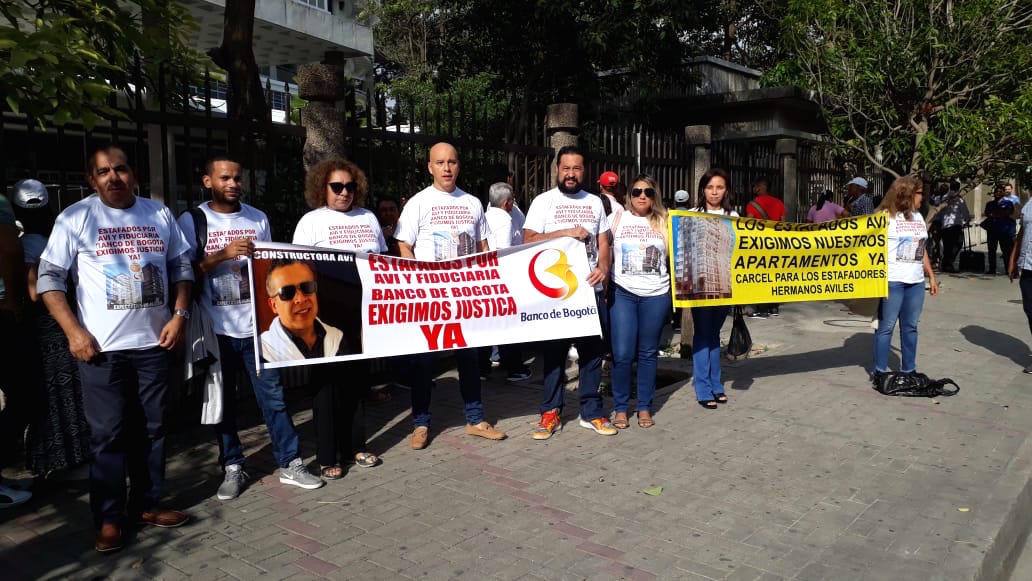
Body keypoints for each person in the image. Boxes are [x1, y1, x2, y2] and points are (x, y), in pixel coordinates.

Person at [38, 146, 193, 553]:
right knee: (108, 435)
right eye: (103, 172)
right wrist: (74, 332)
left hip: (154, 346)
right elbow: (49, 280)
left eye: (120, 169)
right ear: (92, 180)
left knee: (155, 429)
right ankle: (108, 518)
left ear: (133, 174)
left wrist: (179, 316)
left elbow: (181, 268)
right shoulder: (75, 217)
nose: (114, 177)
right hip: (101, 350)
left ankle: (147, 504)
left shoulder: (158, 214)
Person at [177, 158, 323, 500]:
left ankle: (291, 461)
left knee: (273, 398)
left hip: (257, 329)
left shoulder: (257, 218)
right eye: (225, 177)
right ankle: (232, 466)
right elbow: (183, 272)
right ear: (207, 181)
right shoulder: (193, 220)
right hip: (217, 331)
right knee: (223, 402)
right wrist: (222, 255)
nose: (233, 183)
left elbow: (270, 269)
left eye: (237, 178)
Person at [395, 142, 507, 450]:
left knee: (469, 360)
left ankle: (475, 419)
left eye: (452, 162)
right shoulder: (418, 203)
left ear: (459, 165)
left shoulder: (472, 202)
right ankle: (420, 423)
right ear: (429, 167)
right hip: (431, 299)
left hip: (466, 297)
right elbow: (403, 245)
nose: (447, 168)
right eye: (440, 162)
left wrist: (488, 283)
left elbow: (484, 247)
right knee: (424, 362)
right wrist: (417, 278)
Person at [291, 158, 383, 476]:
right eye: (337, 186)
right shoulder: (311, 222)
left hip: (361, 315)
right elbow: (298, 272)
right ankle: (328, 456)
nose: (344, 192)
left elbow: (381, 264)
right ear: (323, 188)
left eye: (350, 186)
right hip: (324, 318)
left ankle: (356, 446)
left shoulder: (368, 217)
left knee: (357, 383)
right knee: (327, 386)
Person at [524, 145, 616, 439]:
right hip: (557, 292)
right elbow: (529, 240)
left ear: (584, 171)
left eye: (577, 168)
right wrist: (565, 233)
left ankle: (591, 411)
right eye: (566, 168)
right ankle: (550, 411)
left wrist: (604, 268)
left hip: (590, 289)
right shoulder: (543, 202)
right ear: (557, 170)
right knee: (555, 354)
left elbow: (604, 243)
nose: (571, 174)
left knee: (591, 353)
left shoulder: (595, 202)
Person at [15, 179, 90, 479]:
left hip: (49, 326)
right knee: (67, 393)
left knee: (58, 394)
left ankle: (59, 461)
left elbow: (34, 292)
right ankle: (69, 461)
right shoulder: (58, 234)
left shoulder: (29, 241)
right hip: (64, 321)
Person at [608, 175, 670, 429]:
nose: (642, 196)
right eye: (636, 192)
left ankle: (644, 406)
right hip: (622, 292)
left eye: (648, 192)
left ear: (655, 195)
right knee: (622, 353)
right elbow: (600, 247)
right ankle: (621, 407)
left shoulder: (666, 221)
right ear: (629, 195)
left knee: (647, 353)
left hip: (656, 294)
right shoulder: (617, 219)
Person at [872, 177, 938, 380]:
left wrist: (931, 276)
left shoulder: (918, 217)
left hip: (916, 282)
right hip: (893, 281)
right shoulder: (884, 217)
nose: (923, 197)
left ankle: (909, 369)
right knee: (886, 327)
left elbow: (921, 247)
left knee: (910, 327)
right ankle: (880, 372)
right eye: (919, 193)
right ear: (907, 194)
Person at [689, 168, 738, 409]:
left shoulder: (734, 216)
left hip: (725, 283)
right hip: (700, 285)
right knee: (702, 333)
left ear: (726, 189)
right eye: (710, 187)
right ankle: (703, 387)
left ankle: (715, 384)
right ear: (703, 190)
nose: (715, 192)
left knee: (714, 334)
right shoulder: (691, 215)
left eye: (719, 187)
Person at [479, 182, 532, 382]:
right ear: (507, 203)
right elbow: (504, 252)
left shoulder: (485, 216)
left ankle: (482, 368)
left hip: (486, 279)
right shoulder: (505, 221)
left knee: (486, 325)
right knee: (508, 326)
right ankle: (514, 368)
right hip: (503, 280)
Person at [260, 260, 349, 361]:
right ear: (274, 305)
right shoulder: (261, 351)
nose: (300, 299)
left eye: (307, 287)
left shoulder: (338, 338)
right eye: (287, 292)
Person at [744, 177, 786, 317]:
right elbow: (783, 224)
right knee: (774, 275)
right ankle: (773, 307)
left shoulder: (752, 205)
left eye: (754, 186)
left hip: (758, 246)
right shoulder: (779, 203)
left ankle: (756, 306)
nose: (753, 189)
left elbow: (749, 225)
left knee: (757, 275)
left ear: (759, 188)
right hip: (775, 245)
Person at [1008, 197, 1032, 373]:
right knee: (1030, 311)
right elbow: (1023, 232)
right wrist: (1013, 259)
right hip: (1028, 266)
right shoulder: (1030, 203)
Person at [934, 186, 970, 273]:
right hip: (955, 225)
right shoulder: (958, 199)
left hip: (945, 226)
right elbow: (965, 211)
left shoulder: (940, 199)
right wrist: (967, 220)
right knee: (957, 244)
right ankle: (948, 264)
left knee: (948, 246)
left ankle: (946, 264)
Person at [984, 185, 1016, 275]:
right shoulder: (989, 204)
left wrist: (995, 214)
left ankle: (1007, 269)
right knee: (991, 251)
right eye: (996, 191)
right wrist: (998, 214)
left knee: (1006, 251)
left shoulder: (1008, 203)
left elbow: (1008, 212)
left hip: (1004, 230)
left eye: (1000, 191)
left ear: (1003, 193)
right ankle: (992, 269)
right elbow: (987, 213)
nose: (998, 193)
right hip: (992, 231)